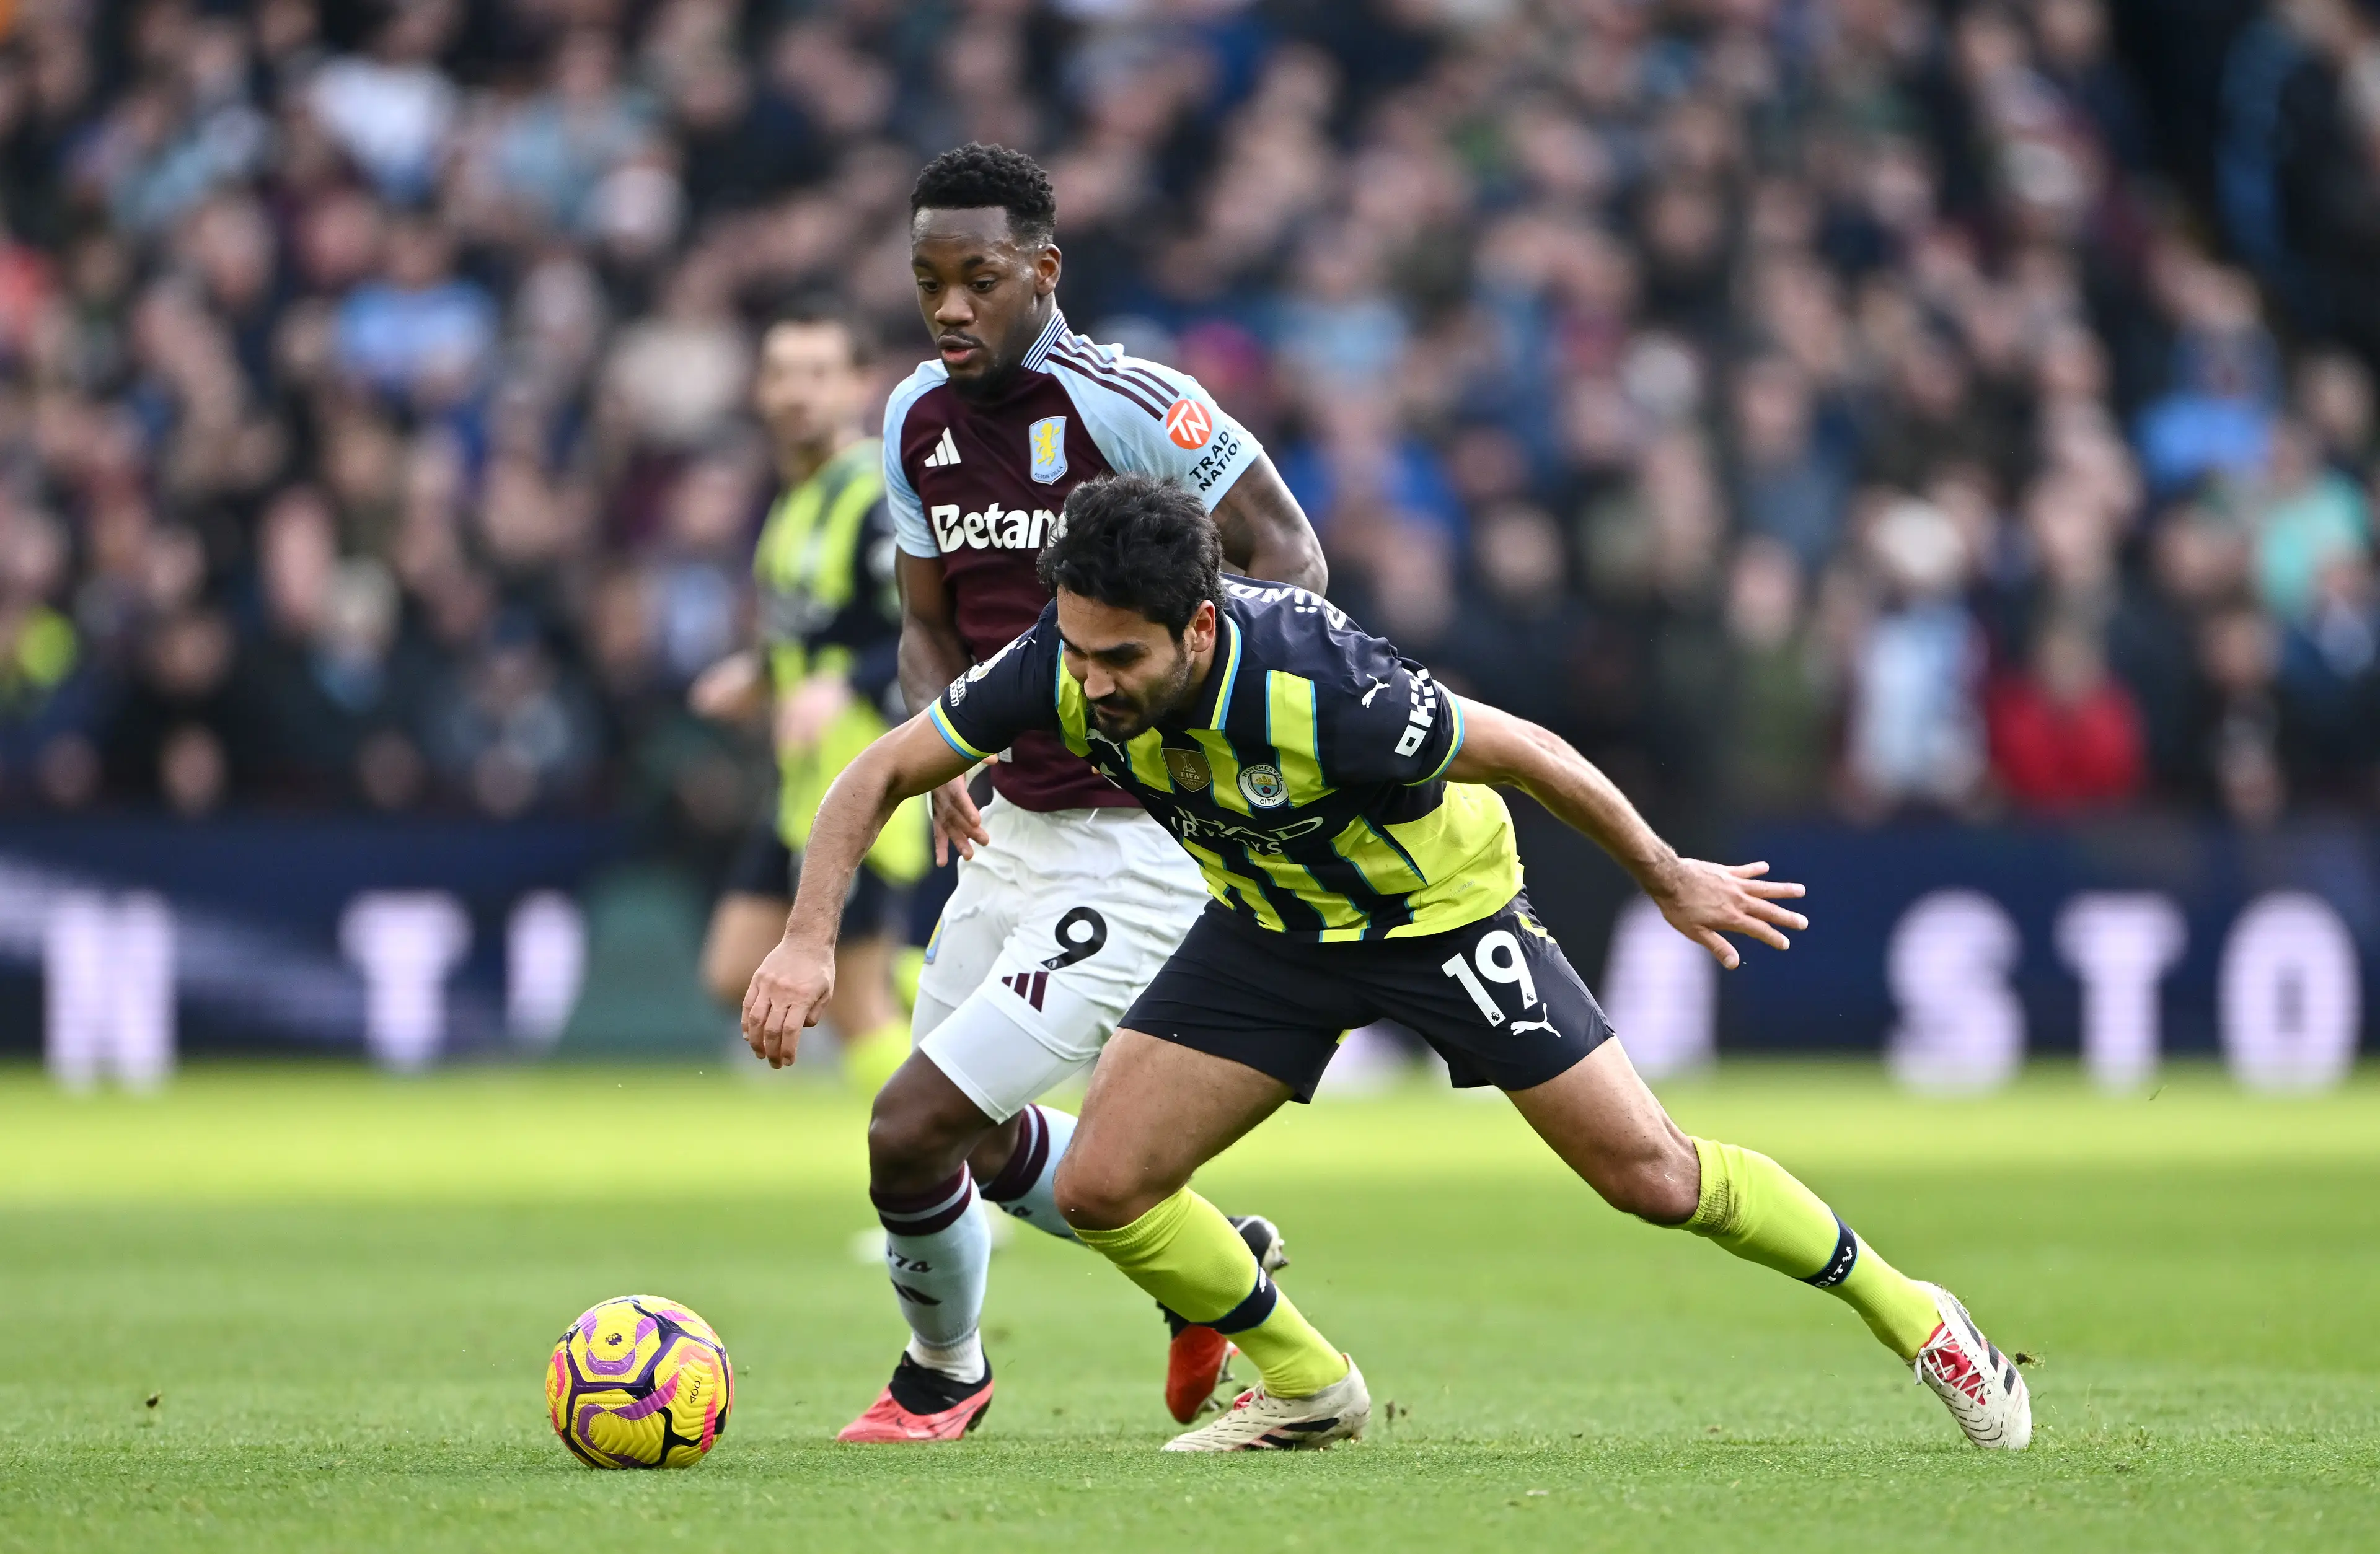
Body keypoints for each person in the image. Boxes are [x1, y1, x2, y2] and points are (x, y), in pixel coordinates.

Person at [745, 472, 2034, 1455]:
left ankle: (1919, 1316)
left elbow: (1526, 751)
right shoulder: (1061, 666)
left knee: (1651, 1176)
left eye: (1122, 658)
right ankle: (1310, 1387)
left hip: (1439, 918)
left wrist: (1664, 872)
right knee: (1104, 1186)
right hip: (1269, 927)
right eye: (1077, 651)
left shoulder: (1321, 683)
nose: (1093, 684)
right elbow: (879, 769)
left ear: (1199, 628)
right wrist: (807, 937)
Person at [821, 144, 1330, 1442]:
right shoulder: (912, 420)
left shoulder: (1136, 406)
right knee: (973, 1144)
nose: (950, 308)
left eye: (979, 279)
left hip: (1141, 844)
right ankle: (1212, 1264)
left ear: (1043, 271)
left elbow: (1292, 559)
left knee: (907, 1126)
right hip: (1012, 828)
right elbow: (926, 624)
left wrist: (1191, 724)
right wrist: (945, 748)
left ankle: (942, 1374)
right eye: (928, 282)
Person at [691, 303, 925, 1091]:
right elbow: (817, 623)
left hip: (863, 772)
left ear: (860, 384)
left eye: (819, 374)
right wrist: (759, 674)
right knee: (734, 968)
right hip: (800, 783)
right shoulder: (795, 496)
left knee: (855, 1000)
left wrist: (843, 683)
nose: (798, 392)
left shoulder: (876, 497)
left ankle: (951, 1159)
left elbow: (925, 629)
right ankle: (934, 987)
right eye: (783, 374)